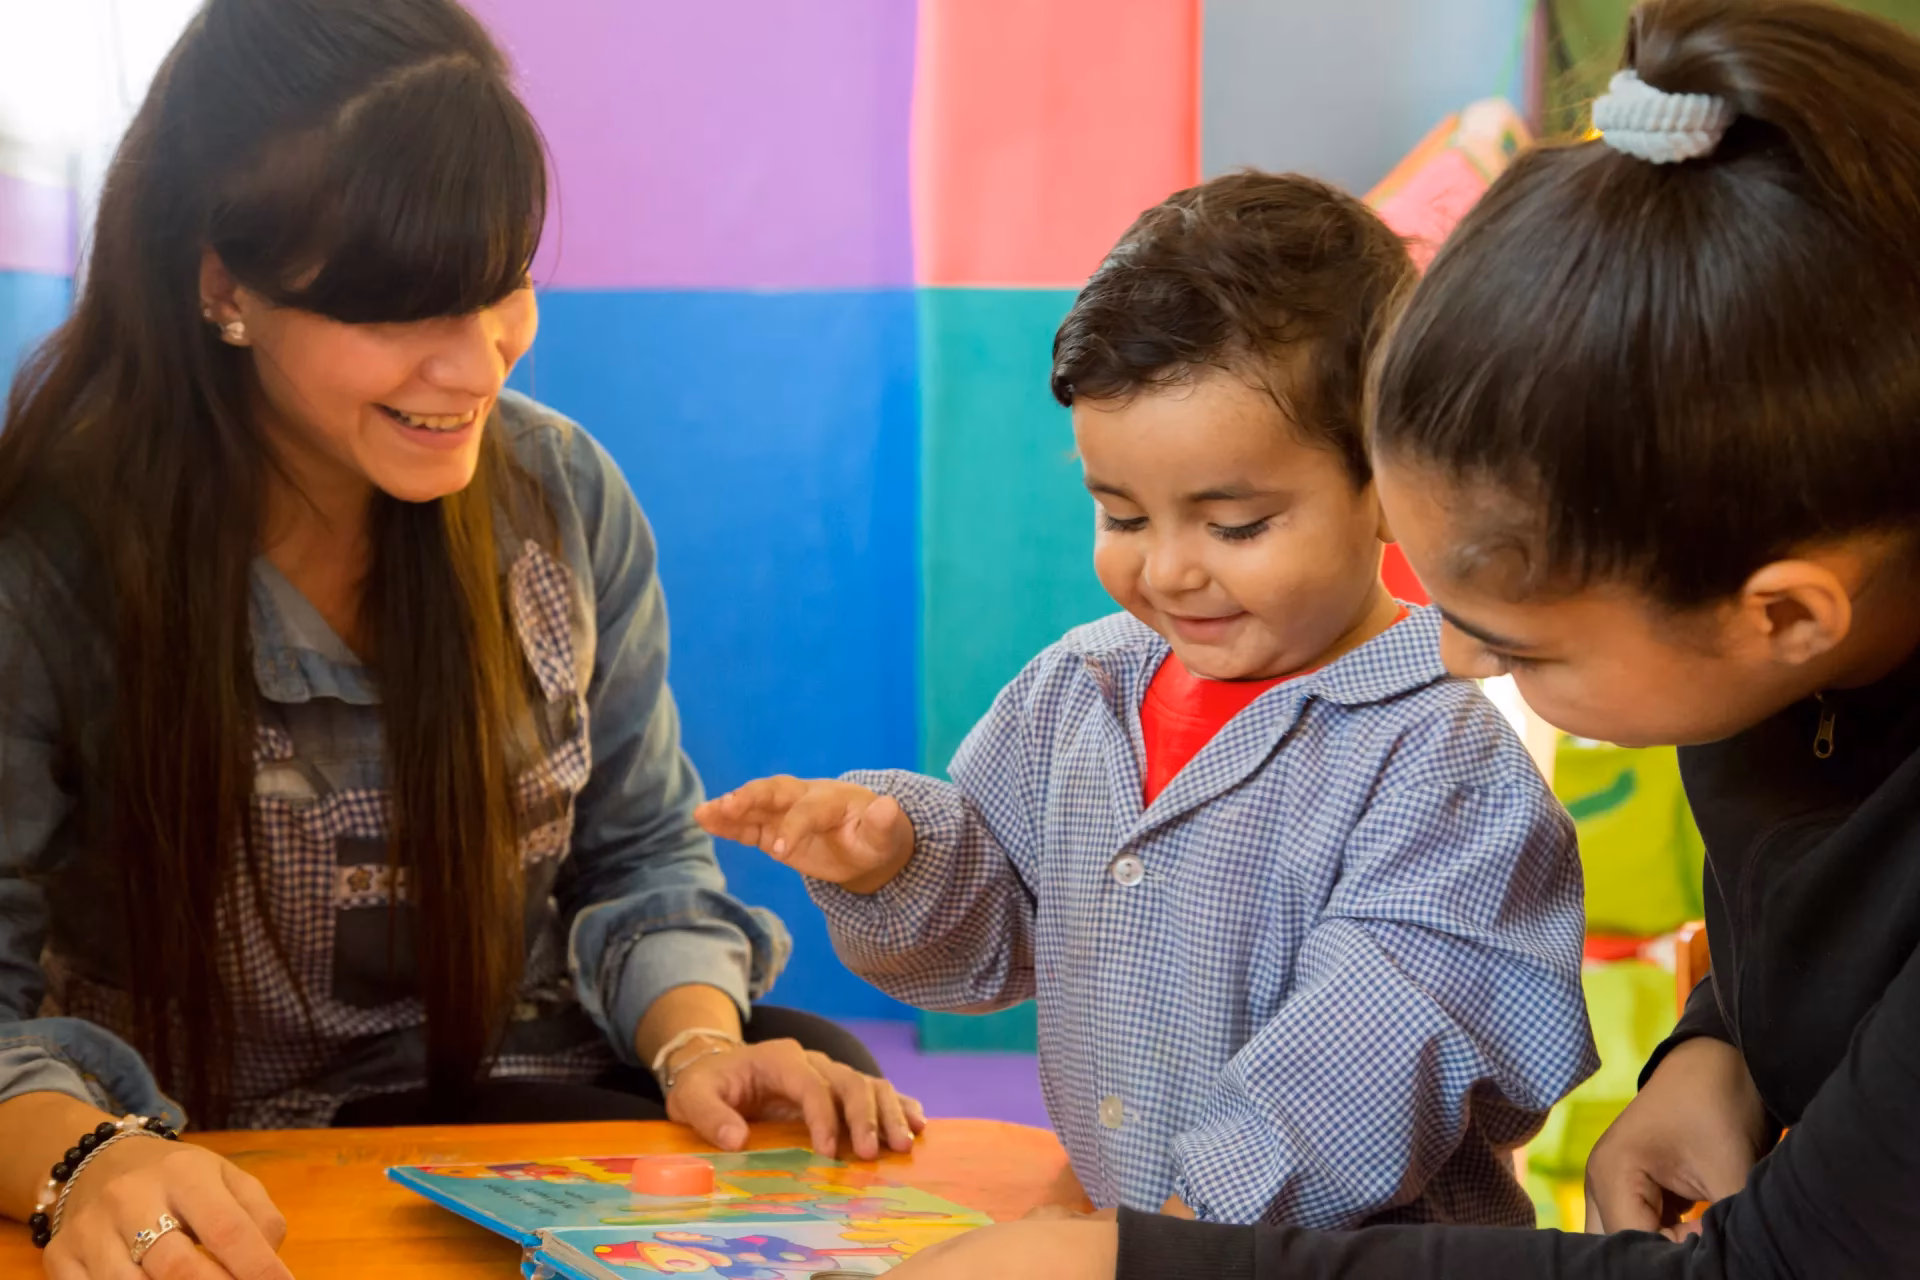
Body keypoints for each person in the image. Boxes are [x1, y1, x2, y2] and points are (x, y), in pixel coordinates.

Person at [892, 0, 1920, 1276]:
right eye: (1120, 510)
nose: (1466, 665)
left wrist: (1144, 1258)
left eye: (1525, 646)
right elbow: (1825, 910)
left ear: (1782, 613)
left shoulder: (1438, 755)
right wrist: (1722, 1049)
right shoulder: (1792, 666)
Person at [0, 2, 918, 1276]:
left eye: (502, 284)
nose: (476, 361)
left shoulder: (560, 495)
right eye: (400, 312)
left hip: (506, 1091)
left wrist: (705, 1047)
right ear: (226, 286)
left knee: (822, 1081)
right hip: (201, 1147)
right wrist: (86, 1161)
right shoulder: (53, 553)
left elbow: (641, 853)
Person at [699, 172, 1597, 1228]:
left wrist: (1160, 1237)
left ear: (1389, 486)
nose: (1168, 572)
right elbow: (994, 937)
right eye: (1122, 515)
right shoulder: (1081, 688)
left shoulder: (1435, 756)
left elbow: (1376, 1058)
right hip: (1136, 1235)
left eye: (1235, 525)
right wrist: (903, 857)